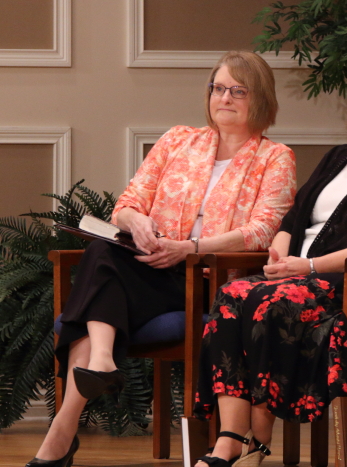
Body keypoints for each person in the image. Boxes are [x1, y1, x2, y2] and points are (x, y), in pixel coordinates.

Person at [26, 51, 296, 467]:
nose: (224, 97)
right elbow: (127, 204)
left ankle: (63, 429)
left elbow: (260, 231)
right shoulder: (177, 140)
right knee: (103, 246)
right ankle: (99, 362)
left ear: (259, 98)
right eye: (218, 88)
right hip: (152, 266)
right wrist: (138, 226)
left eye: (237, 90)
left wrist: (189, 248)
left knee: (94, 294)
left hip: (210, 278)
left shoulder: (274, 157)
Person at [193, 51, 347, 467]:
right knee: (232, 295)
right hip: (295, 276)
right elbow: (295, 215)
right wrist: (281, 248)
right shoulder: (340, 155)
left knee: (265, 302)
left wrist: (307, 267)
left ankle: (252, 443)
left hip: (346, 290)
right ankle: (230, 439)